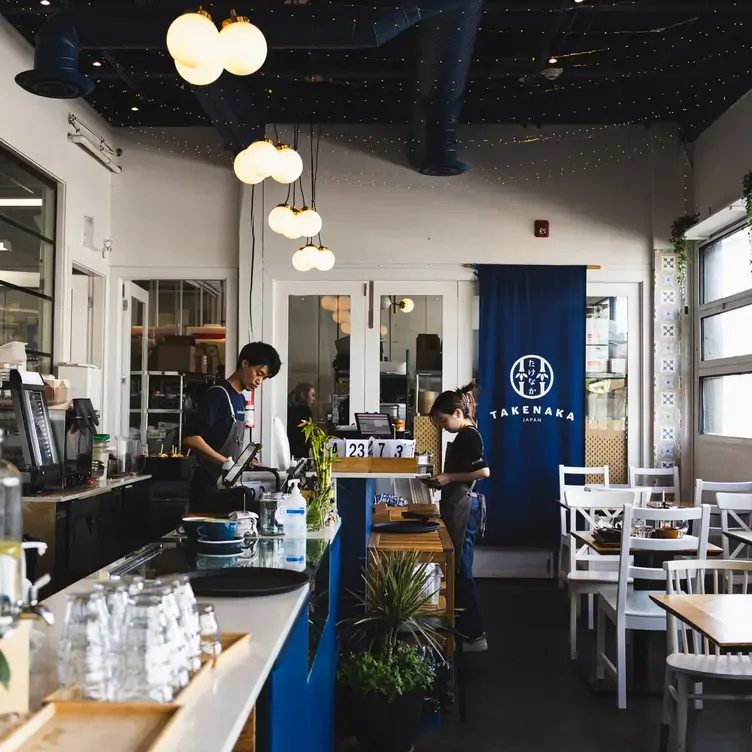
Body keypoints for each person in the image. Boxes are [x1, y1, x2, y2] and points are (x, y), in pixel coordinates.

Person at [426, 382, 489, 652]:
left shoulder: (469, 436)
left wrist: (448, 477)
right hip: (457, 504)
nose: (442, 426)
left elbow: (483, 472)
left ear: (458, 414)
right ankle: (463, 630)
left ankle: (476, 635)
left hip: (465, 507)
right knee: (457, 567)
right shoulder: (463, 436)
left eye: (443, 420)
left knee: (461, 569)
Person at [183, 342, 281, 507]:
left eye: (263, 378)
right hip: (209, 486)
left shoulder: (240, 399)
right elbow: (190, 438)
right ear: (245, 363)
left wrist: (246, 460)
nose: (259, 381)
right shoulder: (217, 394)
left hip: (227, 482)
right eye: (258, 373)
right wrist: (225, 463)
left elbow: (225, 439)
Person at [287, 383, 316, 459]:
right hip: (299, 453)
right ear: (303, 395)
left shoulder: (288, 409)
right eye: (312, 395)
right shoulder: (305, 411)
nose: (314, 399)